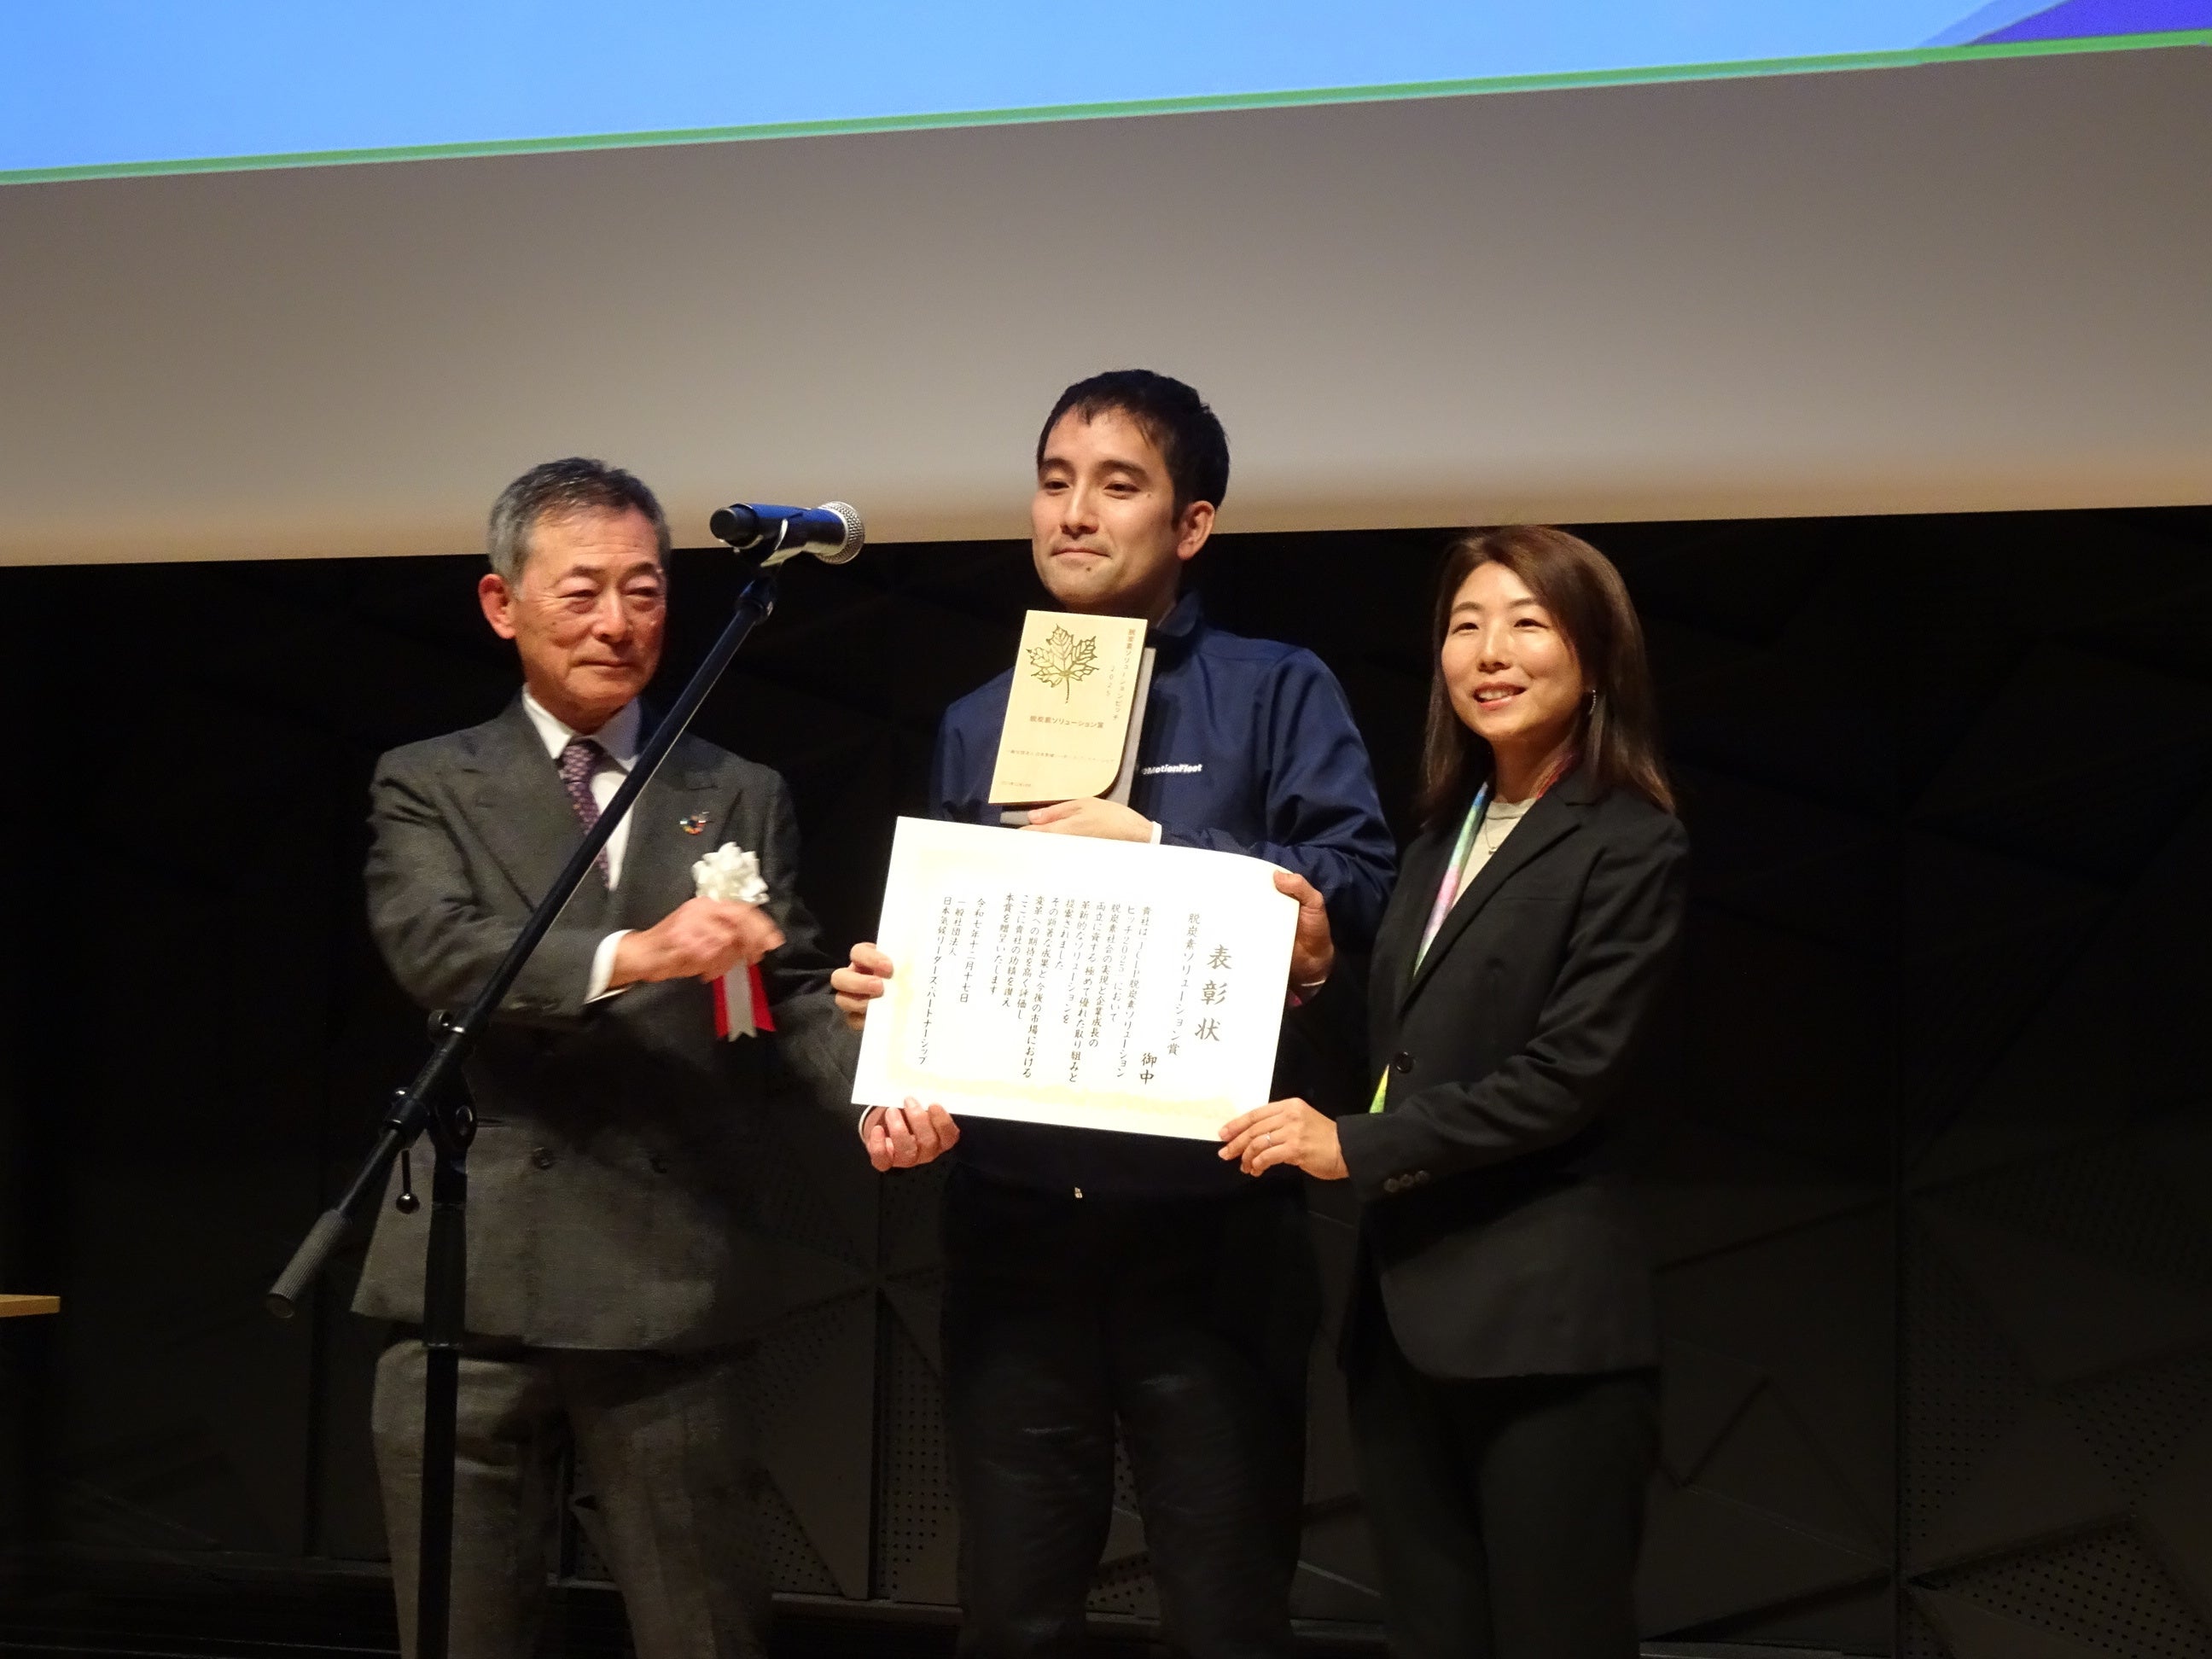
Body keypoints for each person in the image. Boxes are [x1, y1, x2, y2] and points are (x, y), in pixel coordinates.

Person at [832, 370, 1396, 1657]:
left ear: (1191, 524)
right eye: (1054, 482)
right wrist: (895, 1034)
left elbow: (1359, 886)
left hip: (1213, 1231)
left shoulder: (1274, 688)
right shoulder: (980, 719)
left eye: (1117, 485)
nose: (1074, 513)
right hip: (1016, 1232)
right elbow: (952, 944)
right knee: (1011, 1615)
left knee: (1225, 1615)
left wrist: (1155, 846)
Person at [352, 457, 856, 1659]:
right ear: (503, 603)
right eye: (582, 592)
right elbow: (442, 954)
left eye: (645, 591)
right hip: (473, 1276)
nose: (618, 622)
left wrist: (888, 1092)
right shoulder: (429, 781)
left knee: (704, 1633)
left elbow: (785, 998)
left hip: (670, 1275)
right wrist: (638, 952)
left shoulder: (738, 791)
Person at [1220, 526, 1688, 1659]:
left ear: (1595, 658)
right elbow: (1403, 1059)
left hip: (1544, 1331)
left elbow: (1567, 1078)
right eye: (1467, 626)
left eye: (1529, 624)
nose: (1491, 653)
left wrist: (1356, 1148)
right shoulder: (1440, 837)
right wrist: (1314, 973)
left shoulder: (1632, 844)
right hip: (1401, 1322)